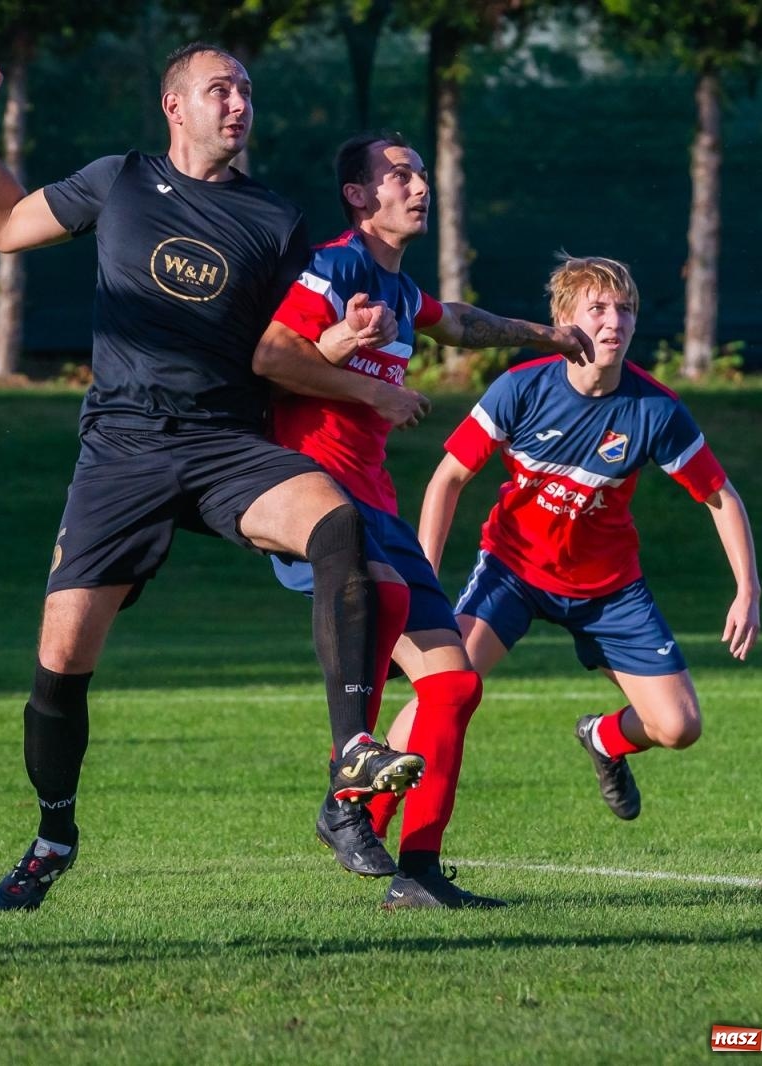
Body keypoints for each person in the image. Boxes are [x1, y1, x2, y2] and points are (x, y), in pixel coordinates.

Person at [0, 42, 425, 912]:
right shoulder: (119, 180)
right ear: (175, 106)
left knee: (334, 520)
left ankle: (352, 756)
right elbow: (5, 227)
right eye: (219, 90)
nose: (238, 103)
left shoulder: (275, 219)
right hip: (122, 445)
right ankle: (55, 832)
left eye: (245, 90)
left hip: (225, 443)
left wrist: (339, 347)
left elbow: (283, 352)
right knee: (59, 661)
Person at [250, 132, 594, 908]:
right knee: (393, 607)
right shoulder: (338, 264)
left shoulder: (400, 291)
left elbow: (458, 323)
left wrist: (548, 336)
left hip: (376, 501)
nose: (417, 185)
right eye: (398, 174)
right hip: (318, 495)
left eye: (421, 174)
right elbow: (272, 356)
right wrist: (371, 387)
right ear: (358, 195)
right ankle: (344, 799)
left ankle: (420, 869)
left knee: (454, 685)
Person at [416, 253, 759, 833]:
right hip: (513, 572)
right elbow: (447, 478)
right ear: (566, 320)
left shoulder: (655, 409)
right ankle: (362, 810)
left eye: (624, 310)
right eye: (597, 308)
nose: (614, 322)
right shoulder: (519, 388)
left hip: (609, 590)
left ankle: (603, 737)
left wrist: (746, 589)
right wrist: (425, 576)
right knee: (445, 689)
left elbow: (721, 496)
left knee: (678, 728)